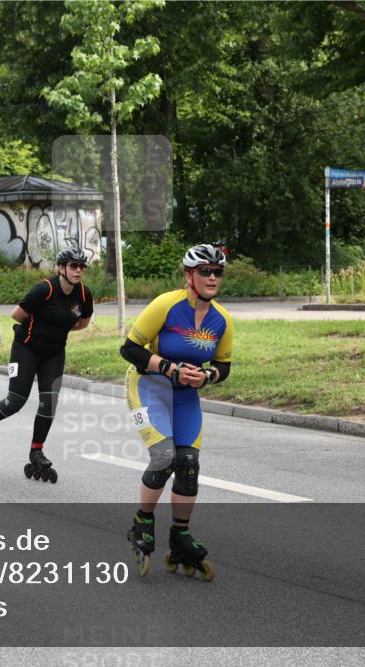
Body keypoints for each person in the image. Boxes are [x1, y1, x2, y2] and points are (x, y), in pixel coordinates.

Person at [119, 243, 233, 580]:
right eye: (205, 272)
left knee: (189, 463)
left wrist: (207, 376)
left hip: (185, 396)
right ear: (189, 275)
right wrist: (169, 368)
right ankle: (142, 522)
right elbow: (128, 349)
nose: (212, 278)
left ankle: (180, 536)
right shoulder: (166, 305)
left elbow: (223, 366)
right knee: (164, 456)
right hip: (149, 387)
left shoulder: (222, 320)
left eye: (218, 272)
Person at [0, 246, 94, 482]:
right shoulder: (45, 289)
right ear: (61, 268)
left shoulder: (84, 294)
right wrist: (40, 330)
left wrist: (58, 329)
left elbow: (83, 323)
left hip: (54, 353)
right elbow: (17, 315)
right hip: (27, 349)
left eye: (82, 266)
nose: (78, 270)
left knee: (49, 403)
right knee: (15, 401)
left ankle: (36, 451)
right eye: (73, 266)